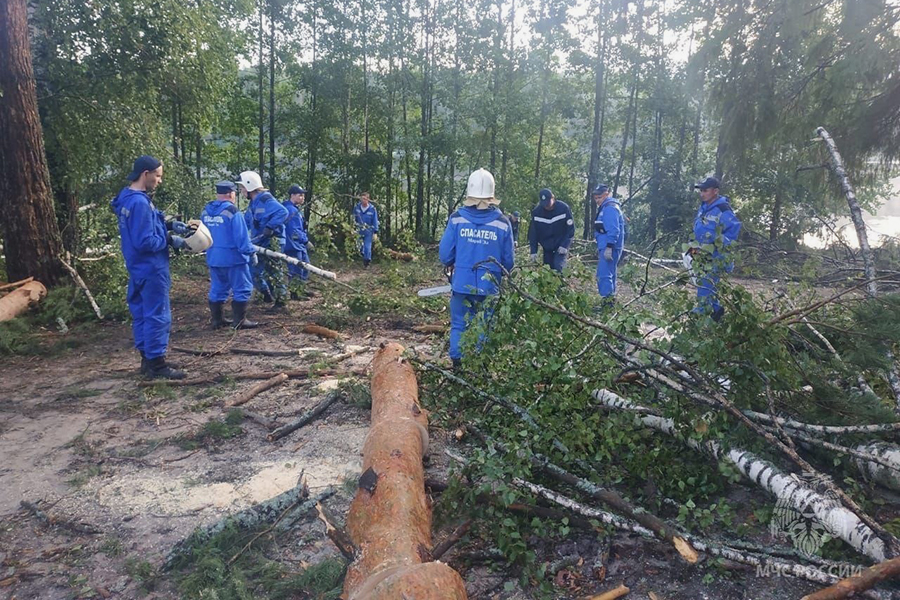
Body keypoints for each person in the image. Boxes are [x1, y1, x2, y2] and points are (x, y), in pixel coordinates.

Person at [110, 155, 186, 379]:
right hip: (152, 268)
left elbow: (145, 226)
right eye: (158, 176)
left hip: (137, 267)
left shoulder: (128, 198)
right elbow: (145, 241)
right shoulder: (140, 203)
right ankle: (157, 365)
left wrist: (169, 224)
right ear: (146, 174)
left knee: (142, 313)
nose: (159, 180)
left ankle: (147, 359)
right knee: (158, 315)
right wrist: (170, 240)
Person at [439, 168, 515, 370]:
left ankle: (458, 363)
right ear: (491, 194)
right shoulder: (502, 223)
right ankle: (480, 367)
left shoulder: (457, 219)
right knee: (485, 325)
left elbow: (445, 255)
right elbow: (508, 262)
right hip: (489, 286)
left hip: (461, 283)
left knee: (459, 324)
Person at [201, 181, 259, 330]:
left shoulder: (205, 212)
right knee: (242, 288)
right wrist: (251, 252)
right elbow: (242, 238)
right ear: (231, 194)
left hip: (214, 257)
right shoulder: (233, 212)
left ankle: (217, 320)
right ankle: (239, 321)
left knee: (218, 288)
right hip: (234, 259)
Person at [688, 177, 742, 321]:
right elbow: (699, 230)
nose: (702, 193)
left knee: (706, 287)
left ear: (715, 191)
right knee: (707, 287)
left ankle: (702, 315)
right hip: (703, 256)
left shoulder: (723, 210)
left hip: (717, 257)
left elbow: (732, 235)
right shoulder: (703, 208)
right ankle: (716, 313)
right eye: (701, 190)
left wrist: (714, 244)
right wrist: (693, 246)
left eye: (705, 190)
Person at [237, 171, 289, 307]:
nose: (241, 191)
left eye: (242, 188)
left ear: (250, 186)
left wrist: (270, 227)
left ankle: (281, 302)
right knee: (253, 270)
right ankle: (266, 293)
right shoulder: (253, 204)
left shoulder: (266, 200)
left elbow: (283, 212)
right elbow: (246, 222)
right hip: (259, 243)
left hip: (272, 243)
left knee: (274, 271)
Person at [528, 188, 575, 272]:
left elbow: (570, 230)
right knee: (548, 271)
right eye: (544, 204)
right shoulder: (537, 212)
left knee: (559, 267)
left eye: (548, 203)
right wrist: (533, 251)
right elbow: (533, 233)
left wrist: (565, 245)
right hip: (547, 247)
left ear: (553, 198)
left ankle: (562, 284)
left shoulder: (563, 208)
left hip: (560, 245)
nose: (547, 206)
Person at [592, 185, 626, 300]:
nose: (597, 200)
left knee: (604, 275)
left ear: (607, 194)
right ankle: (610, 300)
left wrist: (609, 247)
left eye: (599, 197)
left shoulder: (610, 208)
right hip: (605, 245)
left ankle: (607, 302)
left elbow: (613, 229)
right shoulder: (605, 207)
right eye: (595, 198)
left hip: (610, 247)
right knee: (610, 273)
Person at [282, 184, 310, 295]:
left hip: (298, 244)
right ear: (292, 195)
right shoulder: (290, 210)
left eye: (303, 196)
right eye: (300, 195)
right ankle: (295, 293)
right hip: (292, 244)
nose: (302, 198)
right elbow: (294, 230)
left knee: (305, 266)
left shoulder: (295, 209)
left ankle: (301, 289)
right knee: (296, 269)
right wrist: (306, 241)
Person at [353, 192, 379, 267]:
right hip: (359, 229)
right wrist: (353, 227)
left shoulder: (372, 209)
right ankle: (363, 254)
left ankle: (367, 261)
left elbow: (375, 220)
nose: (363, 200)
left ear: (368, 199)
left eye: (365, 199)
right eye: (362, 199)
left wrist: (375, 232)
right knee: (359, 246)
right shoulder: (357, 208)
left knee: (367, 247)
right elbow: (354, 218)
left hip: (368, 230)